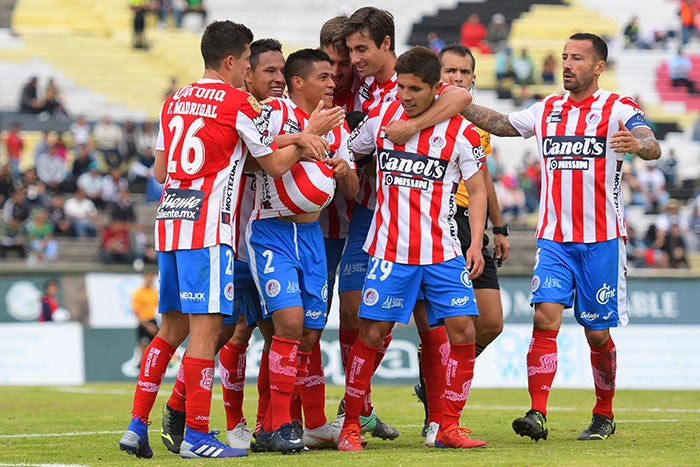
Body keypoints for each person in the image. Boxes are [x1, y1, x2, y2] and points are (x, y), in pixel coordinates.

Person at [119, 20, 330, 460]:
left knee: (170, 329)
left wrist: (290, 139)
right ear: (232, 61)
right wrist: (307, 139)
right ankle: (196, 434)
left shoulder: (173, 99)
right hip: (209, 228)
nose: (249, 71)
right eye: (248, 61)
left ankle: (137, 424)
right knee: (206, 330)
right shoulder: (237, 102)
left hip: (171, 223)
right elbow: (272, 165)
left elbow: (160, 173)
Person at [461, 32, 661, 442]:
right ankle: (538, 413)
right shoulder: (547, 108)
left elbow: (652, 143)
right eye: (565, 57)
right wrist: (455, 100)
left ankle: (603, 414)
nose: (567, 64)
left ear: (599, 67)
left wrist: (638, 144)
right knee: (543, 317)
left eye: (578, 58)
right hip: (554, 240)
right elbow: (500, 124)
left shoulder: (618, 107)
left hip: (603, 241)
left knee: (596, 333)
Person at [337, 45, 488, 451]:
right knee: (371, 333)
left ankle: (449, 426)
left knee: (464, 331)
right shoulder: (382, 118)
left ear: (436, 88)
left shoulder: (458, 130)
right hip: (390, 251)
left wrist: (476, 242)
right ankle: (351, 425)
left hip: (443, 252)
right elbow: (349, 151)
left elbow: (476, 190)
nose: (404, 95)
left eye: (414, 89)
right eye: (401, 86)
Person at [246, 48, 354, 454]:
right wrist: (304, 133)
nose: (332, 83)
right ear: (298, 83)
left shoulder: (337, 126)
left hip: (313, 239)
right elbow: (256, 155)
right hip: (272, 231)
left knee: (308, 336)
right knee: (288, 325)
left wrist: (345, 173)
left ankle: (270, 427)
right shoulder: (275, 111)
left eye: (333, 78)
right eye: (324, 77)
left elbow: (352, 191)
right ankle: (279, 425)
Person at [412, 43, 511, 446]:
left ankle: (434, 379)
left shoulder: (475, 125)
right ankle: (438, 413)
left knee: (491, 322)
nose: (455, 78)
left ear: (472, 79)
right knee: (444, 327)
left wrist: (499, 226)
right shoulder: (420, 116)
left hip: (473, 225)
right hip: (437, 222)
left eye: (463, 73)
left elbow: (481, 178)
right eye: (448, 71)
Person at [131, 272, 159, 355]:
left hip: (154, 321)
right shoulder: (139, 292)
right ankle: (142, 366)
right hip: (144, 323)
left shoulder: (154, 292)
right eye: (147, 277)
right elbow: (136, 311)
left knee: (155, 349)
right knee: (144, 348)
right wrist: (147, 325)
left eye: (151, 277)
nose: (149, 279)